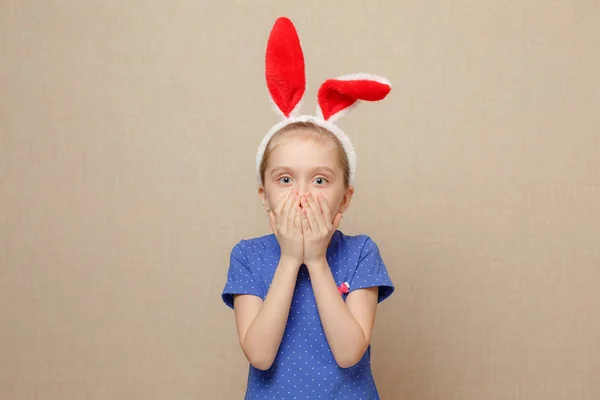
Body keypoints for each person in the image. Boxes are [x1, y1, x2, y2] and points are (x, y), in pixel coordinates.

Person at [221, 17, 395, 399]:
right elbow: (259, 355)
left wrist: (316, 260)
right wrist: (289, 259)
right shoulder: (247, 256)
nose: (302, 196)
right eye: (285, 180)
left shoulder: (361, 252)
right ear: (264, 194)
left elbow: (350, 352)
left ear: (344, 198)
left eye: (319, 180)